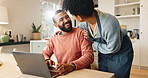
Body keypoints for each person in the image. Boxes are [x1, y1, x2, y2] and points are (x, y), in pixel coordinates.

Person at [62, 0, 133, 78]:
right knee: (104, 75)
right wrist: (61, 33)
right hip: (104, 52)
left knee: (118, 76)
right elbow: (75, 31)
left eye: (72, 15)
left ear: (79, 17)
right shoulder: (84, 24)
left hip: (120, 52)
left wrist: (92, 41)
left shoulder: (109, 23)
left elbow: (113, 48)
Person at [42, 10, 94, 75]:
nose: (66, 20)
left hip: (82, 73)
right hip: (64, 73)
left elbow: (89, 56)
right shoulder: (53, 39)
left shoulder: (81, 33)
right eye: (61, 19)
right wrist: (47, 60)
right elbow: (44, 53)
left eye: (67, 17)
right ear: (56, 25)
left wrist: (72, 65)